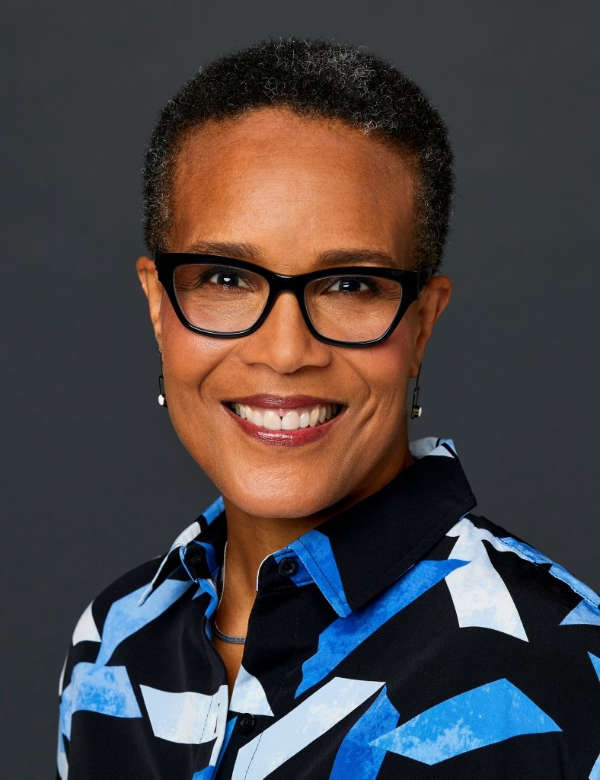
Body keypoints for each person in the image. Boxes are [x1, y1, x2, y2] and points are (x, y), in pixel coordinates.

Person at [56, 36, 600, 779]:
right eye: (225, 278)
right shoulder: (114, 643)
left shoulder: (563, 669)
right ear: (159, 308)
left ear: (421, 324)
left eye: (349, 285)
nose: (285, 350)